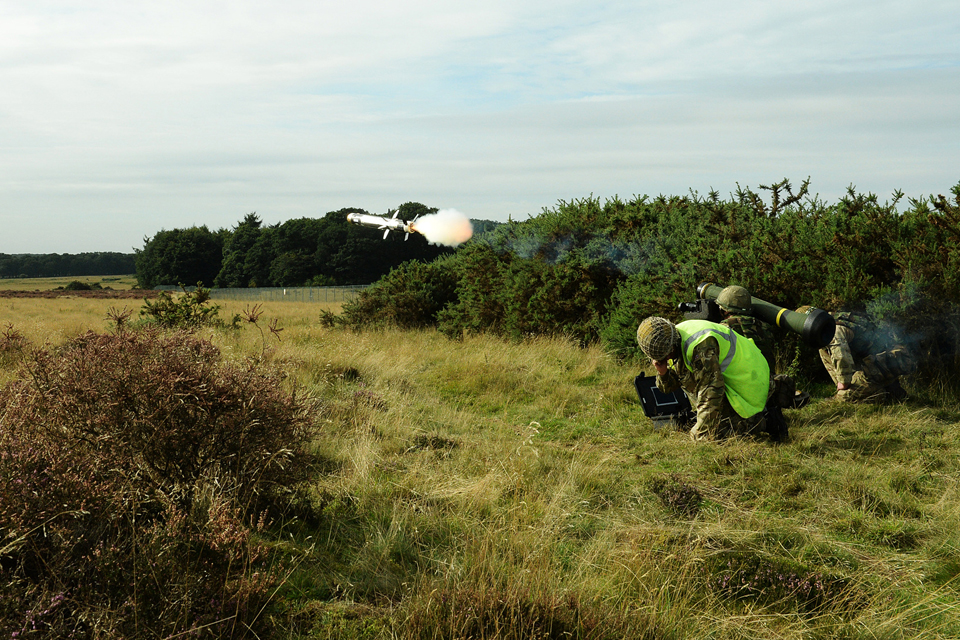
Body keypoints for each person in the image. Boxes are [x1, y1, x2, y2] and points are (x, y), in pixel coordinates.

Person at [637, 316, 771, 441]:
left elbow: (711, 390)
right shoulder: (671, 340)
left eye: (666, 355)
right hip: (735, 383)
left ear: (672, 345)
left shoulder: (700, 345)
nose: (667, 359)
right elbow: (670, 386)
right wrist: (662, 372)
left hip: (751, 381)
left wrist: (701, 434)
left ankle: (765, 418)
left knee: (718, 434)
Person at [806, 308, 917, 403]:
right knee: (822, 347)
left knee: (843, 398)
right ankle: (874, 390)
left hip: (881, 366)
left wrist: (844, 384)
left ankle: (883, 395)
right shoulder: (836, 320)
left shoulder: (834, 330)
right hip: (872, 365)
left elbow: (841, 355)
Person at [716, 285, 776, 369]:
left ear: (725, 311)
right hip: (766, 378)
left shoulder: (724, 327)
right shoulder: (764, 326)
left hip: (740, 379)